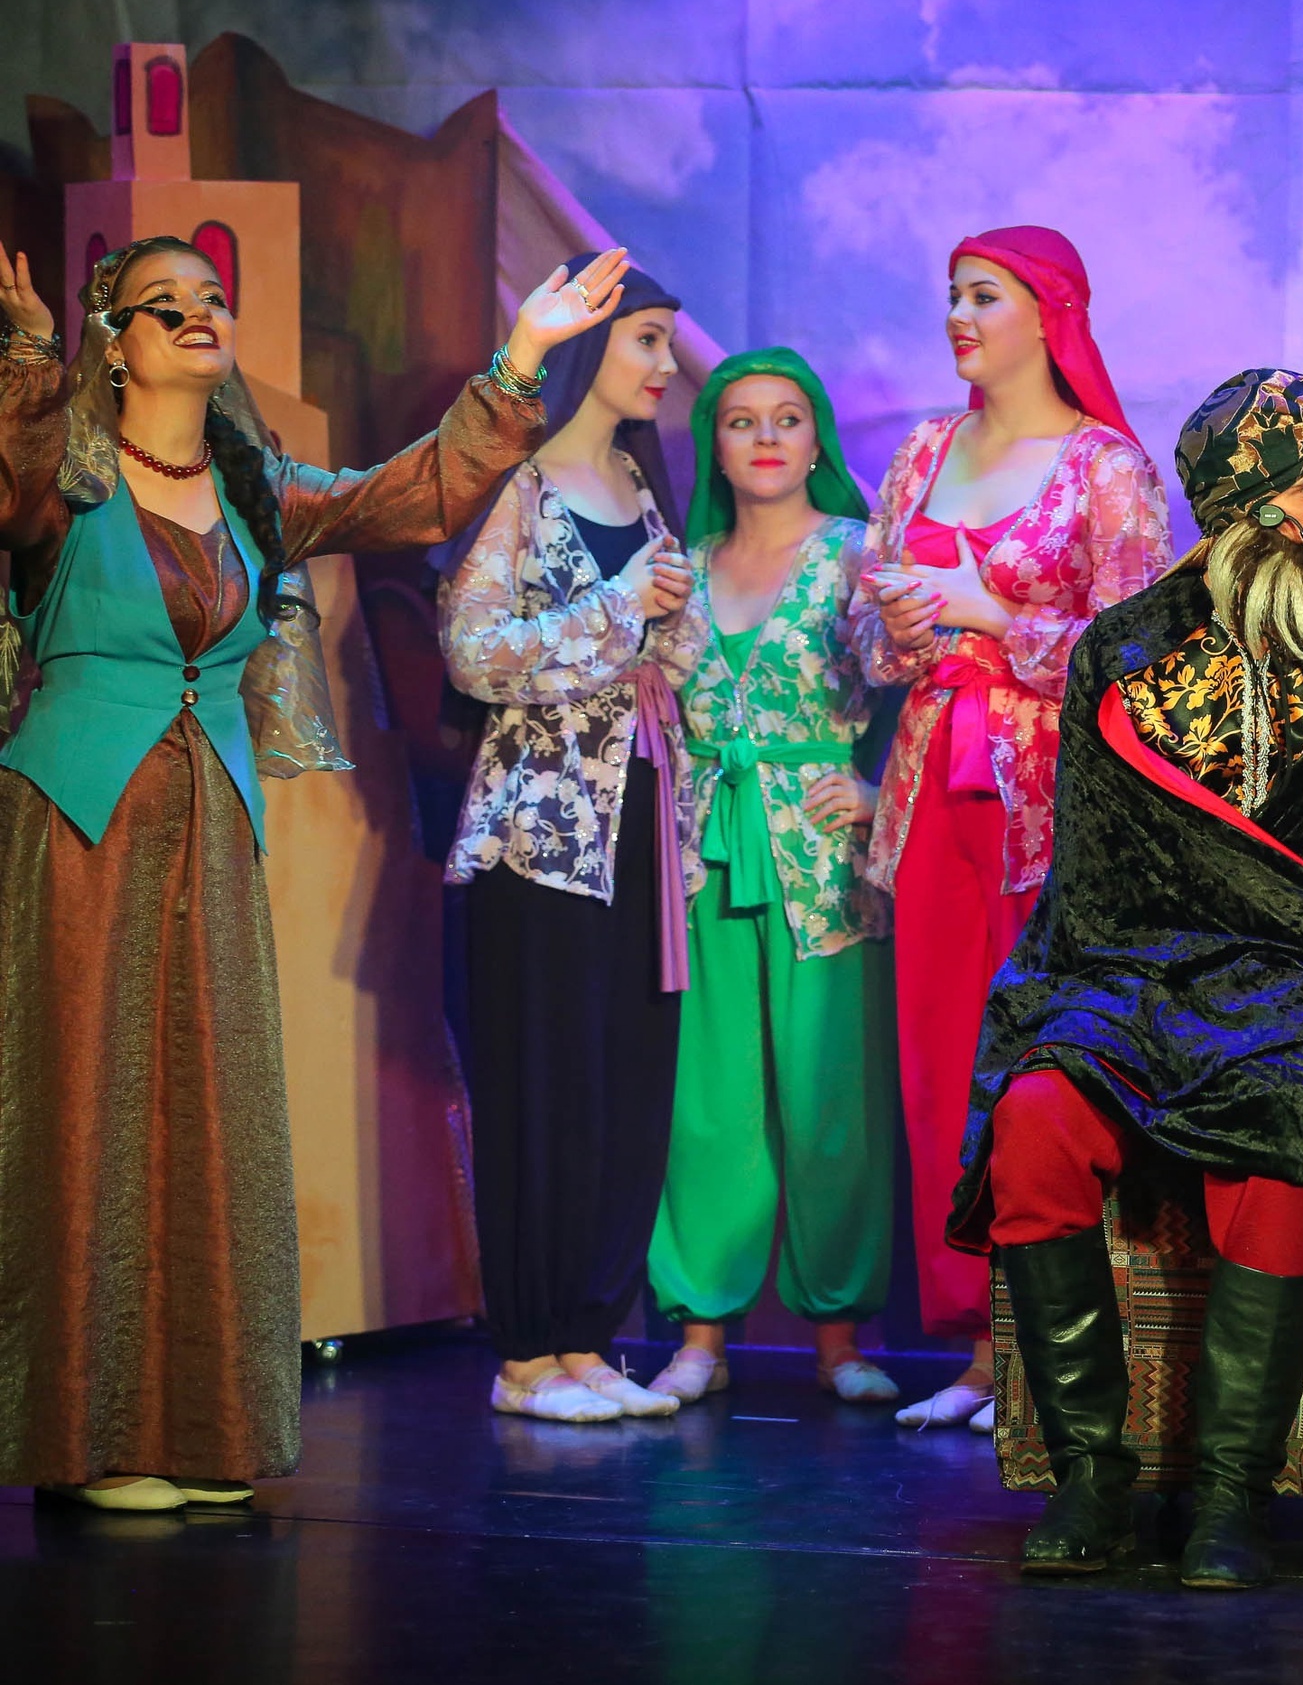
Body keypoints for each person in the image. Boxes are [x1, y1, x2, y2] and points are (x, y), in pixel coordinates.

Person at [0, 237, 621, 1507]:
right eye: (162, 303)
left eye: (210, 297)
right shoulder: (66, 477)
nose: (196, 314)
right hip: (78, 824)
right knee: (90, 1110)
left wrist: (523, 356)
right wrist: (23, 357)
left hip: (212, 827)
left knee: (210, 1110)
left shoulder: (253, 490)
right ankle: (92, 1437)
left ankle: (200, 1427)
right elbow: (11, 470)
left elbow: (417, 493)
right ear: (113, 342)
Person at [955, 368, 1303, 1587]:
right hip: (1146, 973)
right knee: (1036, 1115)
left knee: (1286, 1118)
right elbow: (1095, 878)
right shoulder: (1121, 655)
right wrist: (1139, 986)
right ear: (1243, 510)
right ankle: (1090, 1477)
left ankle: (1225, 1496)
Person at [850, 227, 1169, 1431]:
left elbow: (1145, 658)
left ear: (1048, 311)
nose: (959, 316)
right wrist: (899, 625)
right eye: (951, 296)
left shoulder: (1105, 468)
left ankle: (1061, 1352)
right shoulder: (922, 452)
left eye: (983, 295)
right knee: (942, 1060)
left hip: (1055, 805)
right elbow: (872, 642)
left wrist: (993, 613)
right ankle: (980, 1351)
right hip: (933, 788)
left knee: (1042, 1062)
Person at [441, 255, 710, 1425]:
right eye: (647, 339)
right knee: (542, 1086)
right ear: (593, 345)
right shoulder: (520, 481)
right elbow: (470, 651)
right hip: (541, 832)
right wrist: (618, 610)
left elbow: (671, 654)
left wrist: (670, 633)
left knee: (620, 1083)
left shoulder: (641, 487)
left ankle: (587, 1341)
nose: (665, 365)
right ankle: (525, 1354)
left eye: (667, 342)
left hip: (640, 822)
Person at [644, 349, 901, 1408]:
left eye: (786, 418)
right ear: (713, 442)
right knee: (707, 1104)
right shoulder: (680, 565)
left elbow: (920, 679)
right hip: (701, 858)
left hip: (824, 867)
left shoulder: (857, 552)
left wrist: (881, 792)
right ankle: (700, 1334)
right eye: (740, 418)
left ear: (815, 440)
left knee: (829, 1100)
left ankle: (838, 1339)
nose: (763, 436)